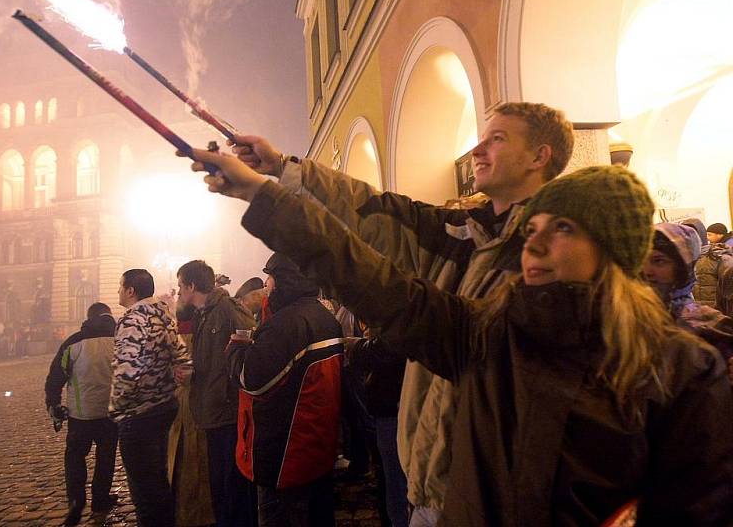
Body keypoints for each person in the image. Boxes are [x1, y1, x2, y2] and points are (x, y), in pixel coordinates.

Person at [187, 151, 733, 525]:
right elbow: (370, 277)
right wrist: (264, 193)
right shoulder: (488, 333)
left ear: (614, 250)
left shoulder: (682, 369)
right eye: (532, 230)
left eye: (562, 229)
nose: (534, 247)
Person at [219, 102, 575, 525]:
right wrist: (282, 168)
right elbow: (371, 210)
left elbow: (382, 288)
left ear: (540, 156)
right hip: (430, 482)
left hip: (491, 496)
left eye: (497, 138)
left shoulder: (551, 264)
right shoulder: (460, 232)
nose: (477, 149)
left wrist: (264, 197)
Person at [226, 253, 343, 527]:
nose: (267, 284)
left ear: (285, 280)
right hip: (317, 449)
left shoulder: (285, 325)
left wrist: (237, 350)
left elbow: (252, 380)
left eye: (271, 277)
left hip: (284, 457)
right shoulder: (325, 317)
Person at [177, 260, 257, 527]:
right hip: (211, 410)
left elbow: (250, 352)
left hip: (227, 412)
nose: (178, 293)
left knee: (232, 487)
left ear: (191, 286)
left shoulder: (227, 309)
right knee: (220, 486)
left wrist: (228, 387)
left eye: (180, 286)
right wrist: (192, 372)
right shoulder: (202, 314)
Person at [110, 268, 193, 527]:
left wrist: (117, 408)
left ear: (130, 291)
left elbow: (127, 371)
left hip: (138, 414)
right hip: (164, 407)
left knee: (145, 493)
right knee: (158, 482)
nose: (118, 291)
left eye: (120, 286)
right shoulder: (164, 315)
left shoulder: (133, 320)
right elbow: (182, 355)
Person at [44, 302, 118, 525]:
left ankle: (76, 501)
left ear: (88, 318)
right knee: (106, 458)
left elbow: (56, 377)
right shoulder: (122, 339)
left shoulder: (73, 342)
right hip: (111, 413)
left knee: (75, 457)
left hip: (80, 413)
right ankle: (100, 499)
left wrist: (53, 404)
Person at [642, 222, 733, 380]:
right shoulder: (630, 317)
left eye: (659, 261)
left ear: (682, 268)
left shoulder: (709, 326)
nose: (646, 271)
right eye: (643, 260)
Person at [347, 328, 408, 527]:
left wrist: (359, 348)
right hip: (395, 403)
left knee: (397, 485)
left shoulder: (402, 310)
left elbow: (388, 350)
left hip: (394, 407)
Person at [167, 304, 216, 527]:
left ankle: (184, 514)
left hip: (179, 409)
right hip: (202, 407)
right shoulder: (204, 337)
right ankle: (206, 512)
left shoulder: (173, 341)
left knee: (181, 463)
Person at [682, 218, 733, 312]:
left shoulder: (720, 258)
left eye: (693, 234)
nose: (688, 238)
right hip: (695, 315)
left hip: (717, 316)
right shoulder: (683, 259)